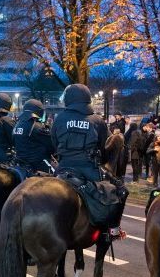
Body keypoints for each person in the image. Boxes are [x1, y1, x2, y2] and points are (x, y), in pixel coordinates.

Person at [51, 83, 127, 239]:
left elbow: (54, 142)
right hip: (89, 170)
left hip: (62, 169)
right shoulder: (96, 120)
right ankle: (112, 231)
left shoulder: (59, 119)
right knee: (120, 191)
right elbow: (105, 146)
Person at [13, 99, 55, 173]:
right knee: (59, 174)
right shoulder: (38, 126)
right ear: (39, 111)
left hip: (20, 162)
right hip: (38, 163)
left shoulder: (17, 124)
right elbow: (51, 147)